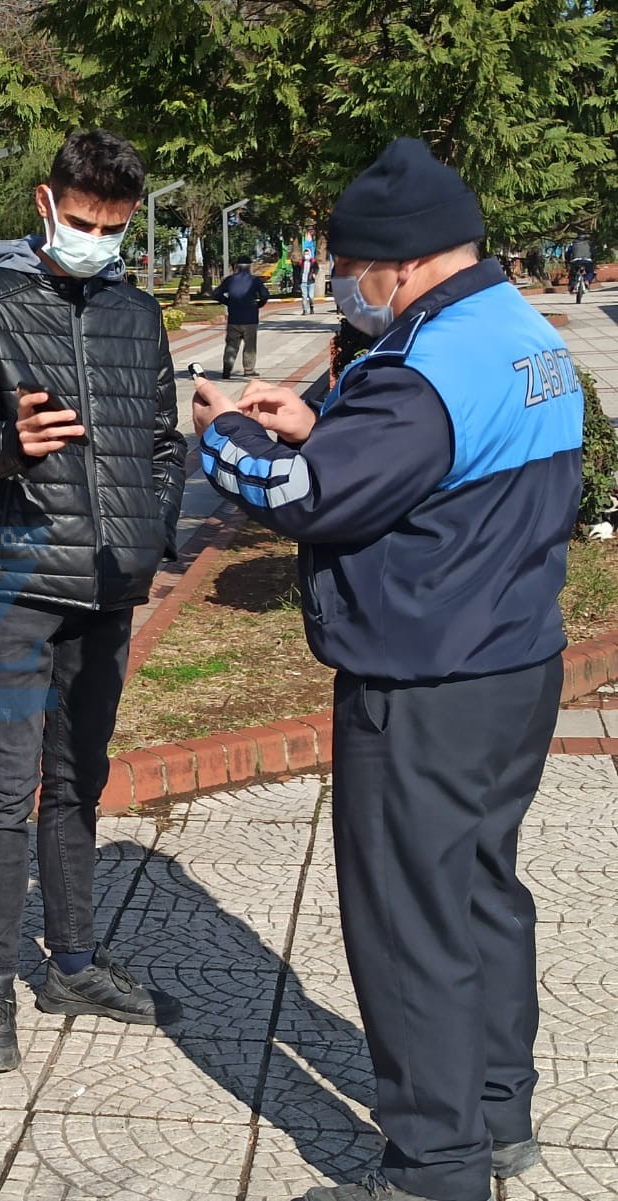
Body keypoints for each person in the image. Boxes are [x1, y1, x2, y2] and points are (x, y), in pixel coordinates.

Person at [190, 138, 582, 1201]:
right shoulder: (517, 333)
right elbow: (442, 463)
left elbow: (302, 498)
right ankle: (498, 1113)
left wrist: (223, 438)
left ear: (401, 264)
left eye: (350, 266)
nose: (343, 284)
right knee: (481, 891)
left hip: (424, 683)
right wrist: (325, 423)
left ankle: (433, 1167)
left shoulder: (421, 370)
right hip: (514, 663)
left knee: (408, 921)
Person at [0, 128, 187, 1075]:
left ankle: (72, 964)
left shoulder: (137, 314)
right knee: (8, 788)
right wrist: (11, 441)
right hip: (12, 582)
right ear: (45, 204)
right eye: (83, 222)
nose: (97, 242)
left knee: (79, 777)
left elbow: (163, 442)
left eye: (114, 229)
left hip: (107, 584)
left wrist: (151, 532)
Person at [214, 255, 270, 378]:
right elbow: (265, 295)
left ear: (237, 267)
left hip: (234, 318)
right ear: (249, 266)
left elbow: (216, 294)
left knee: (231, 345)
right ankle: (249, 370)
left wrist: (228, 302)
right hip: (250, 319)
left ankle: (227, 369)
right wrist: (258, 305)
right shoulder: (255, 280)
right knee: (250, 346)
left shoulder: (230, 280)